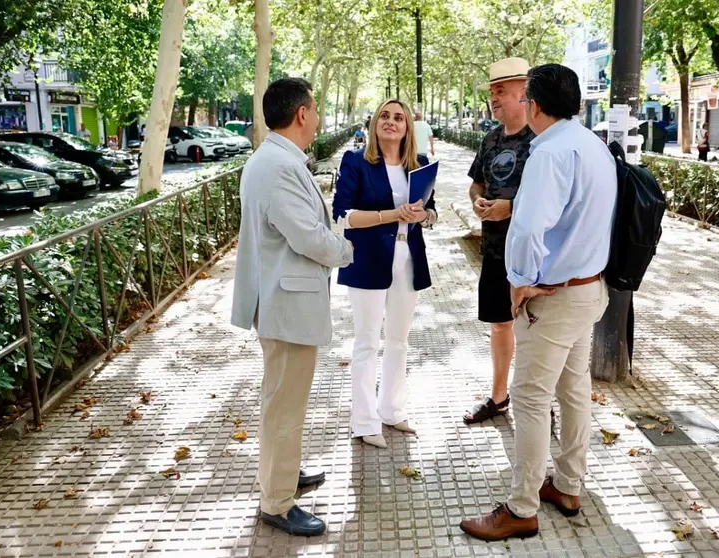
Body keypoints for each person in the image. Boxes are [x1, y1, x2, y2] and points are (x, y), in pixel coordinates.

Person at [460, 63, 617, 542]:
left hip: (554, 296)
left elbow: (528, 228)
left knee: (530, 399)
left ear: (534, 104)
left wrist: (520, 281)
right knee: (572, 392)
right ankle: (568, 485)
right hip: (589, 289)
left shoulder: (548, 152)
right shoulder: (591, 145)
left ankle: (521, 507)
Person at [229, 77, 354, 537]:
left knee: (284, 403)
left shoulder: (273, 159)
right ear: (302, 114)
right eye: (315, 109)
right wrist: (345, 249)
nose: (318, 117)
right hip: (285, 305)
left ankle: (283, 474)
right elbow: (306, 236)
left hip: (283, 300)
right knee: (284, 407)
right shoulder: (278, 166)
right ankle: (277, 502)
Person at [333, 99, 437, 449]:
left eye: (399, 118)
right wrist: (393, 215)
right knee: (366, 342)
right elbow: (342, 216)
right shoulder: (355, 161)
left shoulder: (420, 165)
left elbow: (431, 212)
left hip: (408, 259)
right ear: (375, 123)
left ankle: (392, 410)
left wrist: (423, 216)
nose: (391, 122)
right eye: (385, 116)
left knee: (399, 341)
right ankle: (364, 421)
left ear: (408, 127)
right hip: (368, 260)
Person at [462, 57, 536, 425]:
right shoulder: (491, 138)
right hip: (494, 252)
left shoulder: (541, 139)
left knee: (535, 327)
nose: (494, 99)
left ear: (524, 93)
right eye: (492, 92)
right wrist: (477, 200)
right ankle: (499, 397)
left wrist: (513, 208)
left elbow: (557, 199)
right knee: (499, 325)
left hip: (533, 255)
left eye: (501, 91)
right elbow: (476, 180)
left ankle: (537, 402)